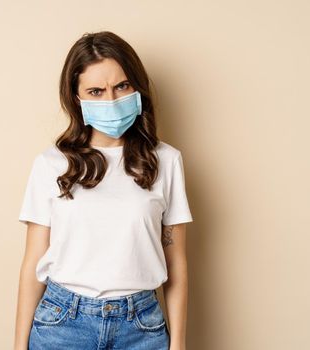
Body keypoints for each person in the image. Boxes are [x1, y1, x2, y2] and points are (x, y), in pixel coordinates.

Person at [13, 31, 194, 350]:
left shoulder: (166, 161)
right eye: (96, 91)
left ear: (137, 87)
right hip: (63, 324)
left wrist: (178, 344)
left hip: (141, 327)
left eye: (122, 86)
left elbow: (176, 263)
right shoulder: (50, 165)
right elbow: (33, 263)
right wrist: (18, 345)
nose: (111, 101)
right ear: (77, 99)